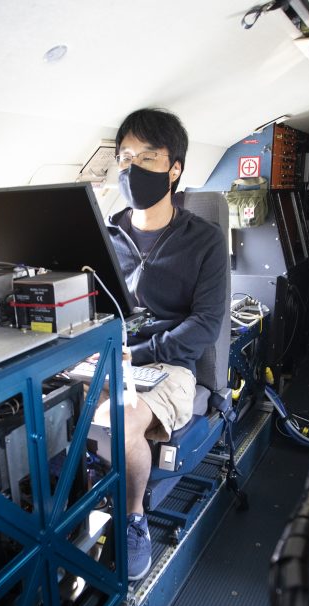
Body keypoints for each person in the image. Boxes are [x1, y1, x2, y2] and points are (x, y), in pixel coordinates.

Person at [98, 107, 228, 581]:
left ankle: (133, 518)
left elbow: (207, 323)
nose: (132, 168)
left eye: (147, 157)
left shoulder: (205, 240)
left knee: (124, 419)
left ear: (174, 169)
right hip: (108, 354)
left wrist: (144, 354)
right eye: (125, 156)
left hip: (170, 365)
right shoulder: (104, 235)